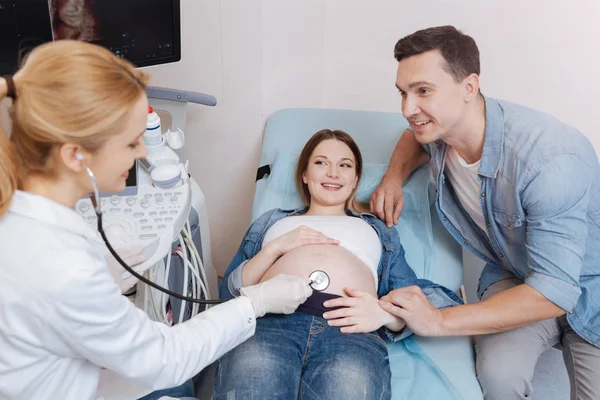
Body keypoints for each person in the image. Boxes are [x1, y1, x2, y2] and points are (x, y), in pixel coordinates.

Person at [0, 40, 312, 400]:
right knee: (174, 379)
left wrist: (103, 282)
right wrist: (254, 302)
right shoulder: (64, 269)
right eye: (133, 143)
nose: (143, 154)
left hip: (59, 374)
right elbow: (164, 358)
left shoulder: (24, 216)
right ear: (75, 155)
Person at [371, 26, 600, 400]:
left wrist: (439, 319)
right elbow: (412, 135)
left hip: (591, 286)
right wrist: (393, 178)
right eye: (403, 93)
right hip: (516, 272)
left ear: (469, 87)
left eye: (423, 91)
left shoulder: (550, 160)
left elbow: (554, 291)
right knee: (498, 377)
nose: (407, 109)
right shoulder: (439, 132)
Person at [215, 129, 462, 400]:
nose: (333, 173)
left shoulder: (377, 229)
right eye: (321, 163)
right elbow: (230, 292)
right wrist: (277, 247)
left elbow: (412, 296)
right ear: (304, 175)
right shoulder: (273, 221)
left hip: (349, 330)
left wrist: (385, 316)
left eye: (345, 166)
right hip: (268, 323)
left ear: (355, 179)